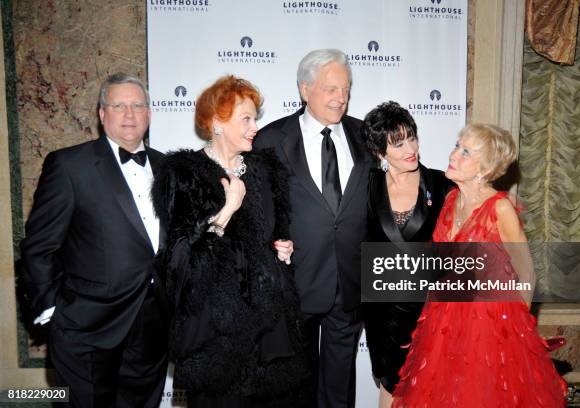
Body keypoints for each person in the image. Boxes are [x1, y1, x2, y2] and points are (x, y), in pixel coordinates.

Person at [151, 75, 310, 407]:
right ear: (216, 123)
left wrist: (282, 249)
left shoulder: (266, 171)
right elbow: (179, 261)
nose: (255, 127)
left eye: (255, 117)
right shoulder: (185, 175)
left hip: (270, 327)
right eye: (246, 119)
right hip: (216, 329)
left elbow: (275, 234)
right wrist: (225, 211)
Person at [391, 124, 567, 407]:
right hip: (443, 320)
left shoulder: (500, 208)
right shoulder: (450, 200)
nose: (454, 154)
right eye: (457, 145)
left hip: (488, 324)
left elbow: (527, 270)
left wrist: (514, 326)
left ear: (484, 168)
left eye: (465, 152)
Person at [20, 73, 168, 407]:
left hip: (152, 326)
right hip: (86, 328)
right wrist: (52, 311)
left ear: (149, 113)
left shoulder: (166, 166)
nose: (129, 115)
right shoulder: (70, 165)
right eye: (118, 106)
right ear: (102, 115)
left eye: (137, 106)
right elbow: (40, 246)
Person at [254, 48, 373, 408]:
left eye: (346, 89)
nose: (341, 98)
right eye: (331, 89)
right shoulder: (271, 139)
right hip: (295, 281)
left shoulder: (365, 135)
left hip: (351, 281)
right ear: (305, 90)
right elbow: (258, 211)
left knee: (340, 386)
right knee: (295, 386)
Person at [361, 101, 453, 408]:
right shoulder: (366, 186)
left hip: (428, 309)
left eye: (411, 137)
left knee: (430, 386)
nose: (410, 148)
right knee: (390, 387)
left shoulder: (441, 184)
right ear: (379, 152)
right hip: (382, 310)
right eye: (398, 143)